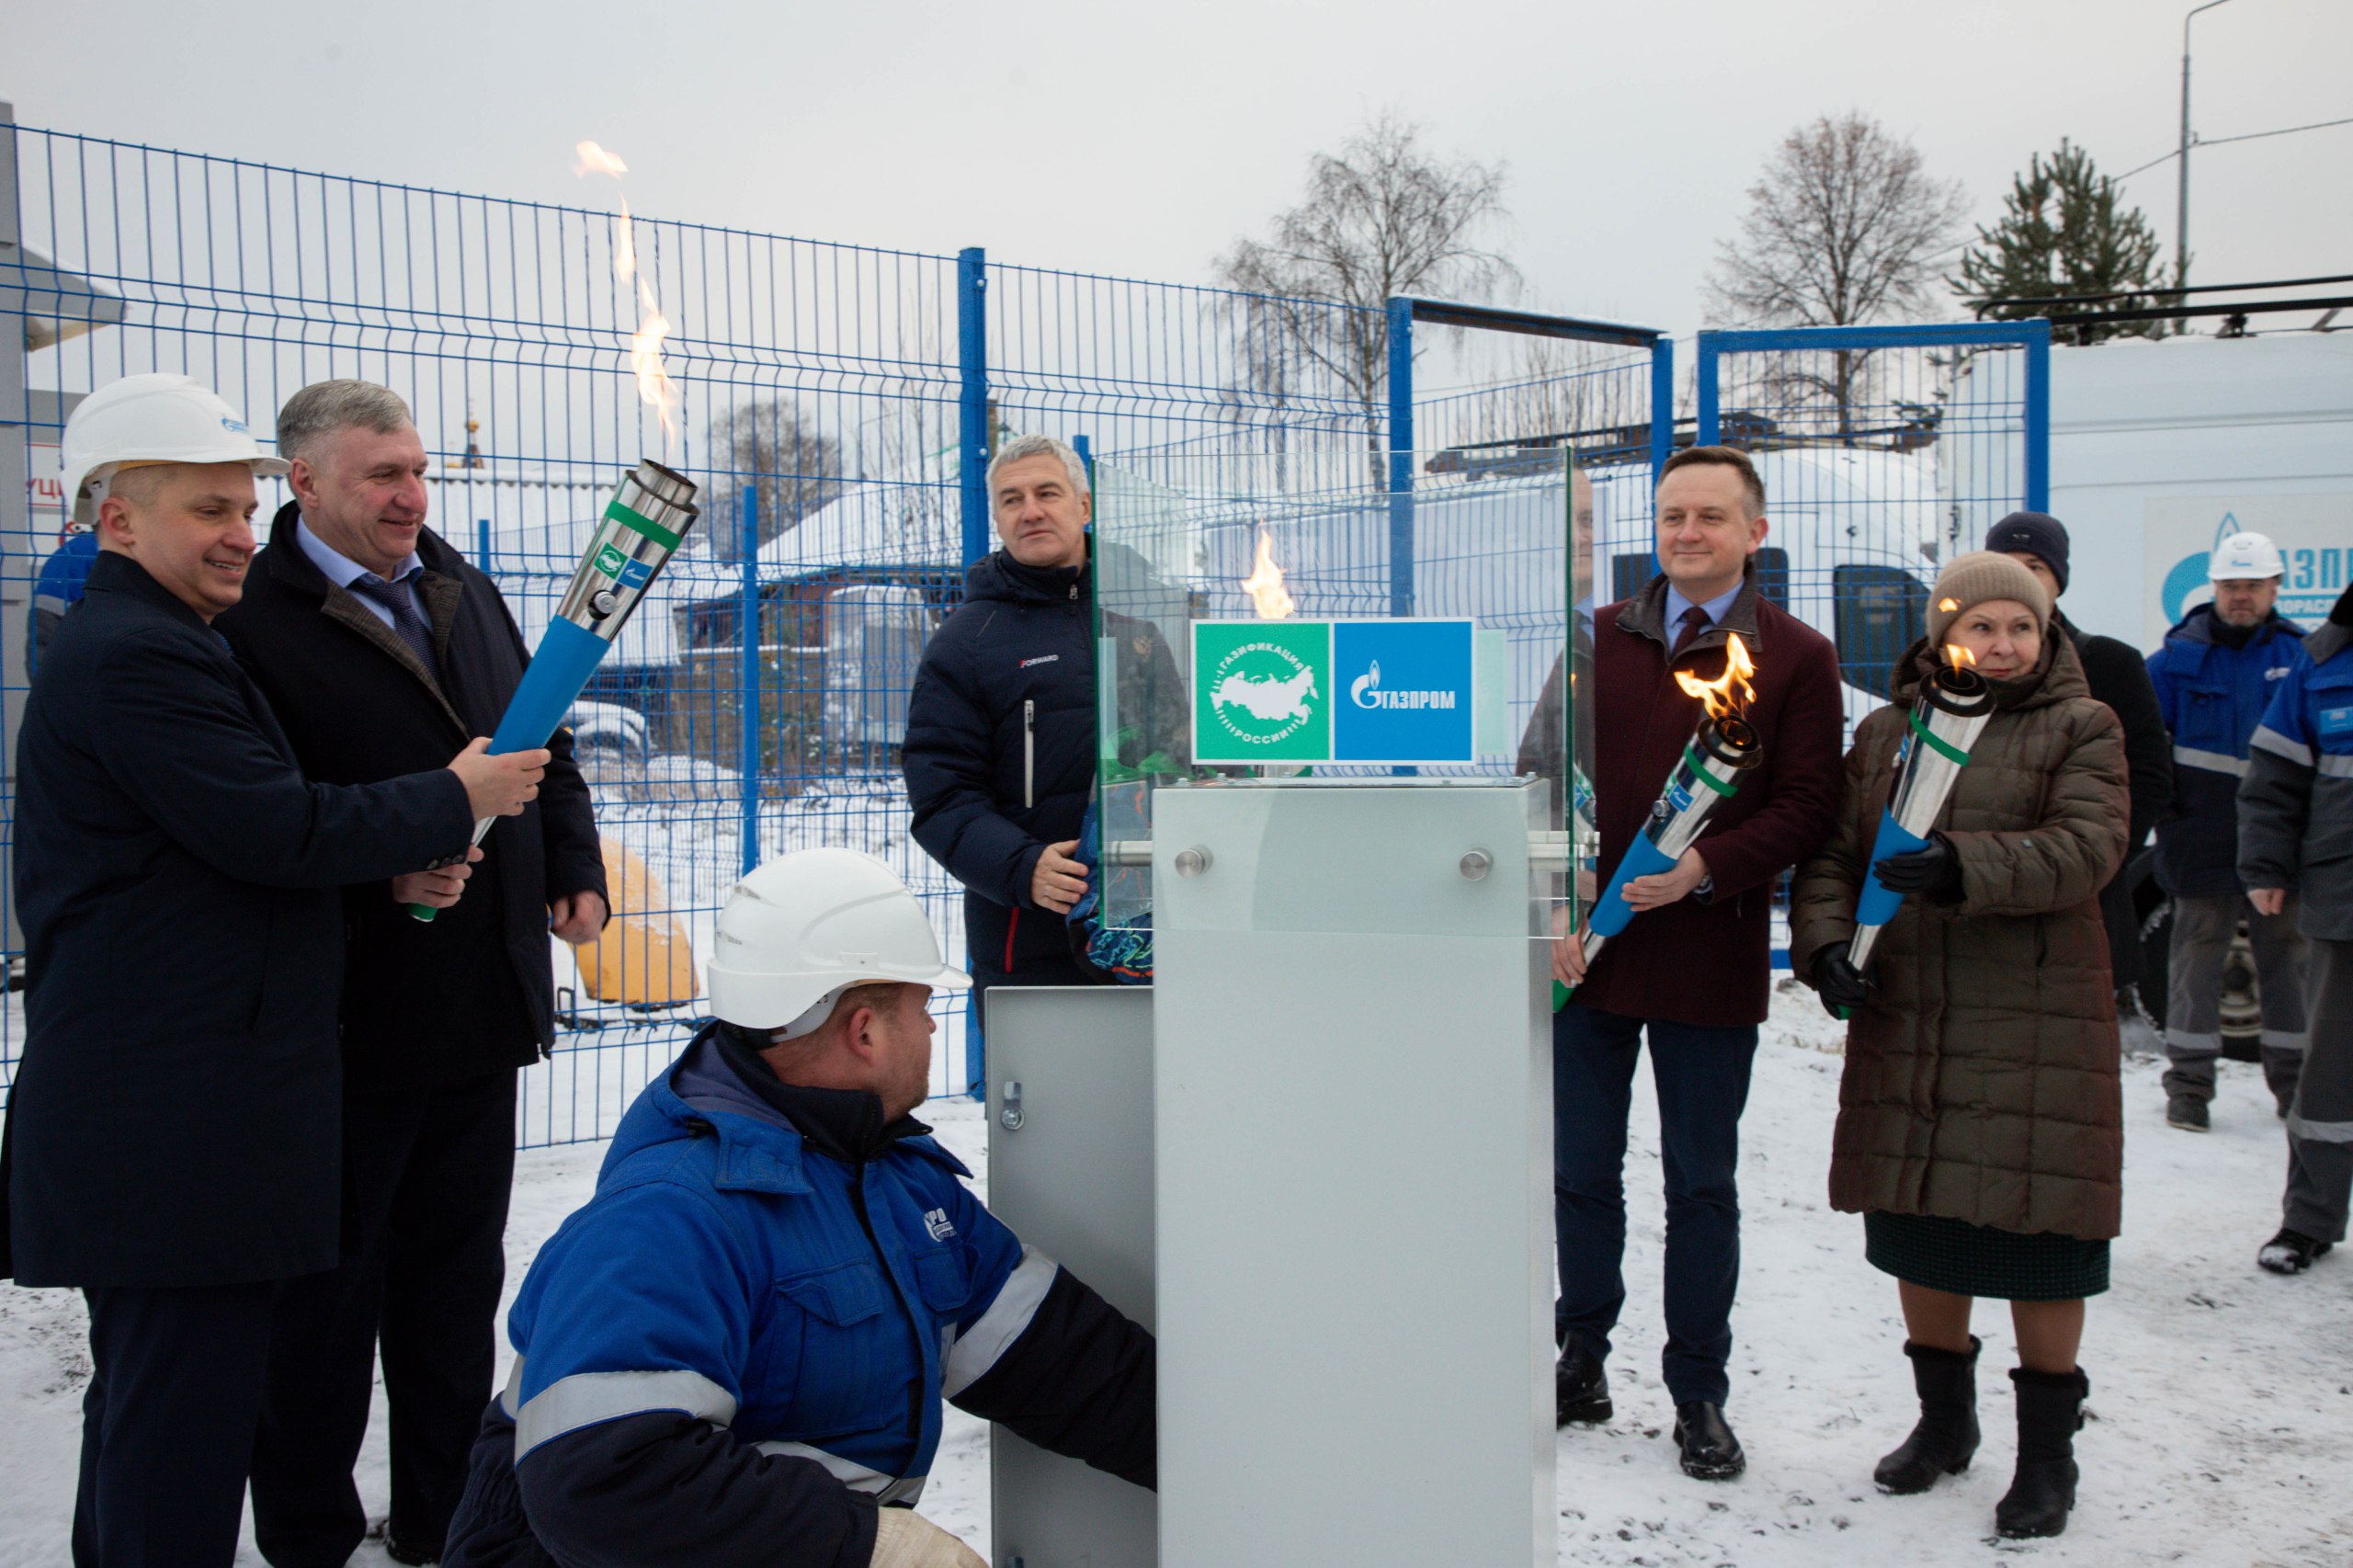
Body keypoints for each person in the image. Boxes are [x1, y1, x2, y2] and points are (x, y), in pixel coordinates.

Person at [0, 373, 549, 1568]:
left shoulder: (162, 640)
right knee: (176, 1435)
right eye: (207, 509)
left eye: (239, 507)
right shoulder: (141, 656)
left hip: (185, 1117)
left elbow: (224, 853)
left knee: (158, 1420)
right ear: (117, 519)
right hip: (169, 1123)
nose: (238, 533)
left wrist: (391, 878)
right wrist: (457, 796)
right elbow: (275, 824)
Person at [441, 848, 1155, 1568]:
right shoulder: (669, 1215)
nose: (934, 1031)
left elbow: (1064, 1362)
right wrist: (870, 1546)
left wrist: (1225, 1449)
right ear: (866, 1031)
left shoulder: (890, 1178)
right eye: (922, 1008)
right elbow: (605, 1483)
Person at [216, 380, 609, 1567]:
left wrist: (571, 860)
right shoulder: (250, 620)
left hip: (479, 1011)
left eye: (419, 469)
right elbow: (261, 823)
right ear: (306, 481)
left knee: (450, 1301)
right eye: (384, 474)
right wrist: (383, 874)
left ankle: (448, 1526)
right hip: (339, 1026)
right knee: (322, 1311)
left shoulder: (461, 585)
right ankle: (308, 1532)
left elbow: (547, 737)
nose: (411, 495)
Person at [1792, 551, 2127, 1540]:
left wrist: (1956, 864)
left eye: (2019, 627)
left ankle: (2046, 1457)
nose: (2002, 643)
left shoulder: (2083, 725)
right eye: (1980, 626)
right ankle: (1943, 1424)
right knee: (1921, 1220)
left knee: (2044, 1242)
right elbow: (1834, 856)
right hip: (1914, 1011)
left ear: (2045, 631)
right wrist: (1822, 946)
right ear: (1943, 636)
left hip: (2036, 1021)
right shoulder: (1887, 732)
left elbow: (2088, 845)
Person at [1545, 445, 1844, 1481]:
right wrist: (1551, 908)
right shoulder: (1592, 641)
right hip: (1585, 959)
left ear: (1754, 533)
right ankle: (1579, 1354)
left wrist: (1706, 869)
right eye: (1673, 514)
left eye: (1711, 516)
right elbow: (1541, 779)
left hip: (1705, 960)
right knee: (1580, 1173)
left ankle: (1697, 1390)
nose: (1687, 533)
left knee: (1699, 1184)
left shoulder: (1795, 657)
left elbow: (1811, 807)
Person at [903, 434, 1183, 1074]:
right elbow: (940, 795)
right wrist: (1020, 866)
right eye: (1011, 499)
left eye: (1047, 493)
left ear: (1084, 506)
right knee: (1052, 1140)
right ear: (997, 519)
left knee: (1159, 1129)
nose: (1030, 510)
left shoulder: (1139, 630)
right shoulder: (966, 642)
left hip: (1147, 937)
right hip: (1026, 944)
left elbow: (1172, 764)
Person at [2146, 532, 2309, 1130]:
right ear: (2213, 587)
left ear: (2275, 588)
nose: (2241, 597)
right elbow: (2146, 752)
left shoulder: (2303, 659)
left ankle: (2295, 1087)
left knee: (2287, 963)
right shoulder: (2171, 664)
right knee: (2195, 960)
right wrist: (2174, 821)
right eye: (2231, 586)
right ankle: (2188, 1088)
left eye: (2253, 586)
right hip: (2201, 838)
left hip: (2280, 842)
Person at [1986, 511, 2173, 1019]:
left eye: (2035, 567)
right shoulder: (1959, 669)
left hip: (2084, 907)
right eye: (2006, 565)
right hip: (1984, 905)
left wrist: (2100, 856)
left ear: (2058, 581)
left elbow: (2151, 774)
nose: (2021, 579)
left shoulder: (2111, 664)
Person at [2238, 579, 2353, 1275]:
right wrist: (2265, 866)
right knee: (2331, 1076)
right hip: (2345, 901)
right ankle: (2308, 1221)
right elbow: (2275, 777)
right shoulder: (2324, 664)